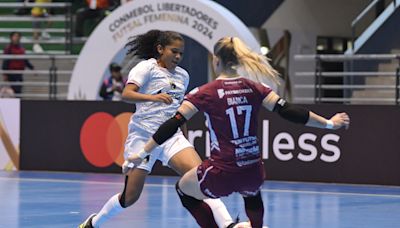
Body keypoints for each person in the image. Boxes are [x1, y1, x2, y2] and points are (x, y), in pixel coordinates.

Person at [126, 37, 351, 228]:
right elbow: (290, 111)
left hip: (221, 170)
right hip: (252, 168)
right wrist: (329, 124)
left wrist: (143, 151)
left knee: (184, 190)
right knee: (252, 193)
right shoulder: (255, 87)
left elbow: (172, 123)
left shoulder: (205, 92)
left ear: (216, 60)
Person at [79, 30, 239, 228]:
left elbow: (181, 111)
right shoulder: (146, 68)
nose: (178, 57)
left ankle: (228, 225)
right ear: (160, 49)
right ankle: (93, 223)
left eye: (181, 53)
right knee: (130, 197)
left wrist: (184, 138)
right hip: (143, 137)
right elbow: (127, 94)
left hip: (172, 137)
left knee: (201, 178)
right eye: (174, 52)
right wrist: (153, 97)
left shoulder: (183, 76)